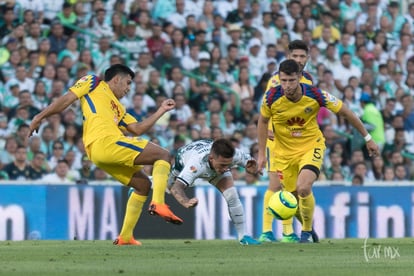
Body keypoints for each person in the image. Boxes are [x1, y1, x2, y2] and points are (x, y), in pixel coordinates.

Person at [28, 64, 182, 246]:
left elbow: (137, 129)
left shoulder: (118, 107)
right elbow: (67, 99)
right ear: (116, 79)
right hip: (105, 142)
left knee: (142, 185)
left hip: (98, 152)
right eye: (127, 83)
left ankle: (125, 237)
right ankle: (158, 203)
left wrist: (161, 111)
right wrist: (39, 116)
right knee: (163, 155)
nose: (128, 88)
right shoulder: (93, 81)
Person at [256, 59, 380, 243]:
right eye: (283, 81)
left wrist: (367, 138)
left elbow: (346, 112)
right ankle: (310, 228)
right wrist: (261, 154)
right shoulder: (271, 97)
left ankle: (305, 233)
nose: (287, 85)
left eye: (291, 80)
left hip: (310, 146)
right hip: (283, 154)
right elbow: (263, 122)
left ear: (299, 77)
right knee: (292, 198)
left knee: (304, 187)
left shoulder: (316, 95)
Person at [259, 40, 315, 243]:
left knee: (292, 188)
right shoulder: (277, 81)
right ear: (288, 57)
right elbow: (267, 110)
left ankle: (289, 231)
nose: (299, 60)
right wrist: (270, 131)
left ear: (307, 58)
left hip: (298, 141)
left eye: (302, 57)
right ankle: (267, 231)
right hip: (278, 140)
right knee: (275, 185)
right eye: (295, 57)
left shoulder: (308, 79)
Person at [167, 138, 261, 245]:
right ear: (211, 158)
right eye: (222, 165)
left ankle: (243, 236)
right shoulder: (195, 164)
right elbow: (176, 188)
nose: (226, 168)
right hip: (182, 162)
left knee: (232, 196)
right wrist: (185, 201)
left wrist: (253, 168)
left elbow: (251, 163)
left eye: (228, 165)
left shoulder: (235, 154)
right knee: (168, 187)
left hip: (211, 163)